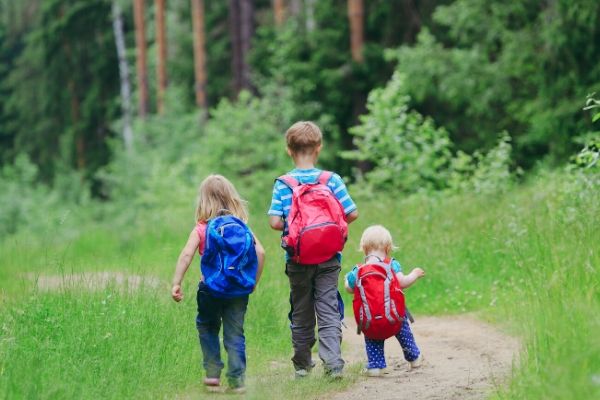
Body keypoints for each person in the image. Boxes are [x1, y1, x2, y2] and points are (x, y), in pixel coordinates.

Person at [268, 121, 359, 378]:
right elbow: (352, 213)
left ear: (289, 150)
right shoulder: (332, 180)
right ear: (319, 147)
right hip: (330, 257)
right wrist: (329, 228)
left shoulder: (283, 184)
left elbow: (275, 222)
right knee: (328, 307)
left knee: (301, 309)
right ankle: (333, 366)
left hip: (297, 258)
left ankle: (302, 366)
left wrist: (296, 226)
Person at [171, 175, 265, 393]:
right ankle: (237, 380)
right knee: (235, 333)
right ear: (232, 198)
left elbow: (186, 255)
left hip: (210, 289)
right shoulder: (242, 226)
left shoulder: (202, 228)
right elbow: (260, 252)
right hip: (238, 290)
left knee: (207, 327)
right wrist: (253, 282)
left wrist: (177, 282)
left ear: (203, 201)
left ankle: (212, 375)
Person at [344, 225, 425, 377]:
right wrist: (414, 274)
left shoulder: (358, 270)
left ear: (364, 248)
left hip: (370, 320)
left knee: (373, 338)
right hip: (395, 317)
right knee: (404, 333)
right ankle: (414, 358)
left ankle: (375, 366)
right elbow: (402, 282)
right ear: (388, 248)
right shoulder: (392, 265)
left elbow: (349, 288)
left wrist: (347, 281)